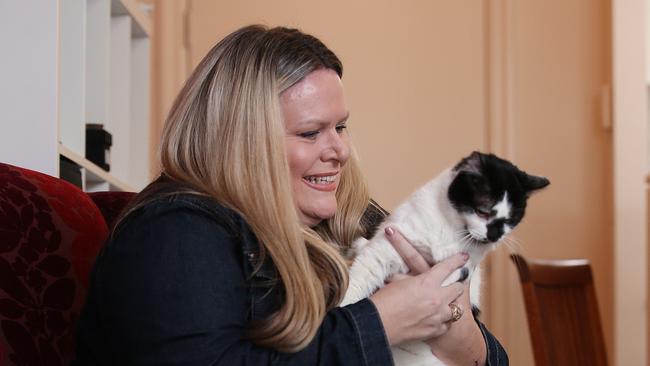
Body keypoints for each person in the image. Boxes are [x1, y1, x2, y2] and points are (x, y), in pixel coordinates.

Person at [72, 25, 508, 365]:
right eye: (310, 132)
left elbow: (489, 359)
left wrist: (455, 327)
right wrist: (382, 323)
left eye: (340, 127)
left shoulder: (354, 216)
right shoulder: (175, 233)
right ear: (239, 139)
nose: (339, 150)